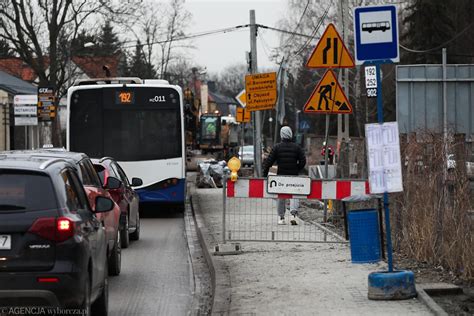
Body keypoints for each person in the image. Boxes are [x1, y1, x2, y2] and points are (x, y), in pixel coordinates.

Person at [263, 126, 306, 225]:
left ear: (281, 135)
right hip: (293, 175)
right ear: (291, 134)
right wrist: (297, 168)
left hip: (281, 176)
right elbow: (303, 161)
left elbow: (269, 162)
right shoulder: (297, 147)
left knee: (281, 196)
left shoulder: (277, 147)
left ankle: (281, 218)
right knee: (295, 194)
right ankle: (293, 215)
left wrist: (264, 174)